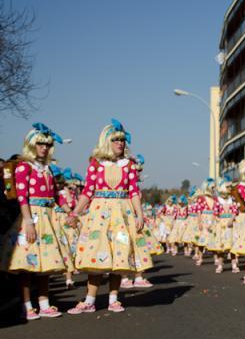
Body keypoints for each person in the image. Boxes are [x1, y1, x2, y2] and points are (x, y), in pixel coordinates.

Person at [66, 119, 153, 314]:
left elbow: (134, 192)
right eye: (115, 140)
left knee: (119, 255)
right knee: (96, 255)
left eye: (122, 140)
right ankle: (90, 300)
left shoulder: (129, 165)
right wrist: (75, 213)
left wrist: (140, 215)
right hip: (99, 213)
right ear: (107, 141)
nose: (120, 143)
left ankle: (114, 299)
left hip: (123, 212)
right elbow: (87, 191)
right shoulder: (96, 163)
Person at [0, 123, 72, 319]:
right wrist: (28, 221)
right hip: (31, 216)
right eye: (40, 143)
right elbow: (22, 196)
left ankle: (44, 303)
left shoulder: (48, 168)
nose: (44, 147)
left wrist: (69, 212)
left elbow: (57, 194)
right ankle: (26, 305)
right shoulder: (24, 166)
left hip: (48, 218)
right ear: (32, 144)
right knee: (27, 264)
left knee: (45, 265)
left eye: (47, 144)